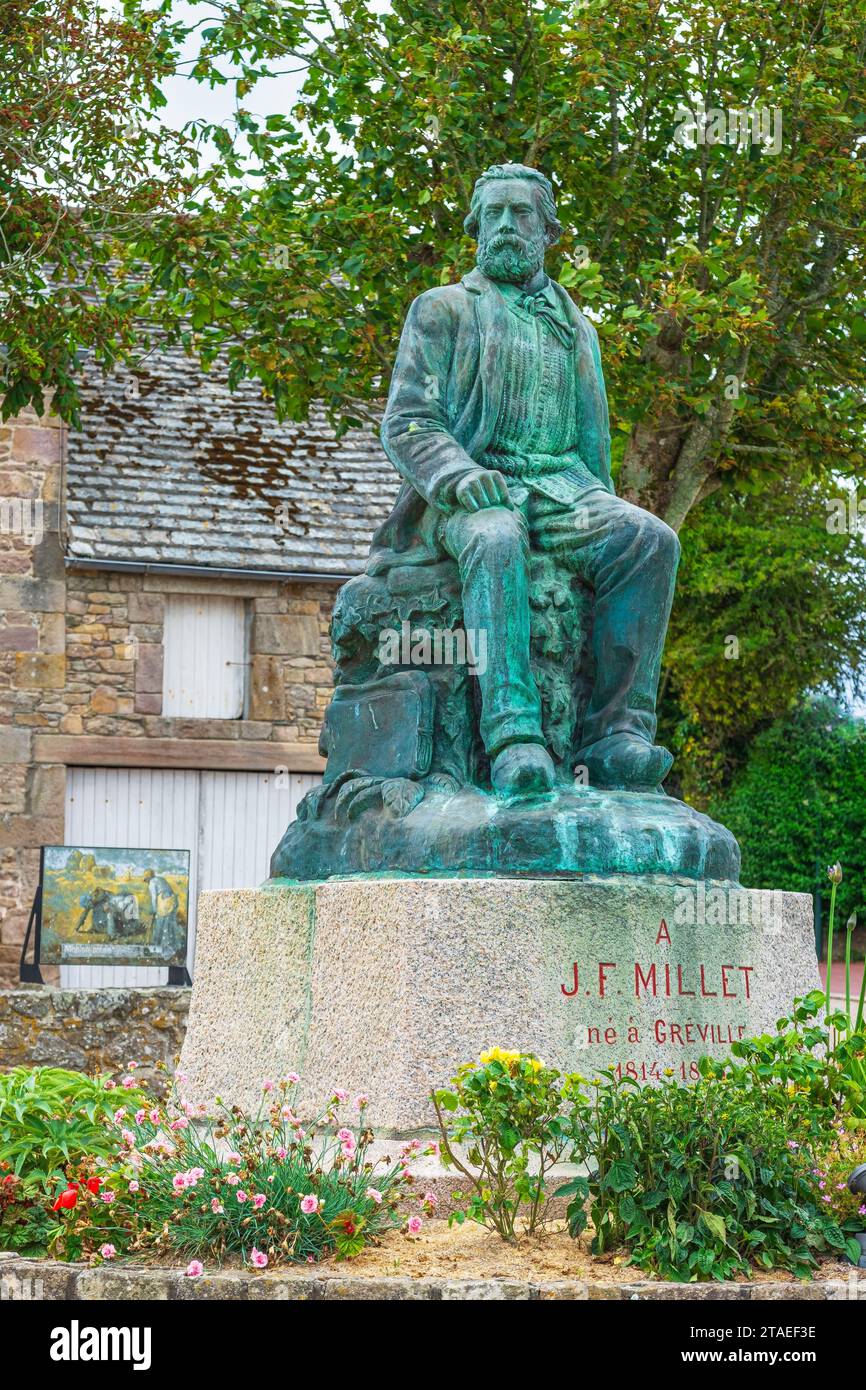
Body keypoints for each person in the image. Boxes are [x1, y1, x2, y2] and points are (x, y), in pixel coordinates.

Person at [373, 162, 680, 797]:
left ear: (548, 232)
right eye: (495, 214)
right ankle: (514, 737)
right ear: (476, 227)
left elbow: (592, 441)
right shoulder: (443, 310)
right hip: (471, 495)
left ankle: (616, 735)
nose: (507, 226)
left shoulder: (576, 326)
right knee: (496, 539)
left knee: (650, 541)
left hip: (565, 491)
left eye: (522, 215)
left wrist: (601, 503)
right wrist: (458, 476)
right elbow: (408, 422)